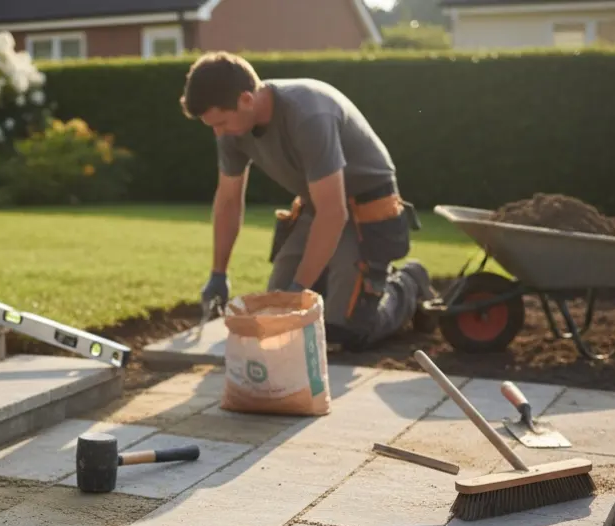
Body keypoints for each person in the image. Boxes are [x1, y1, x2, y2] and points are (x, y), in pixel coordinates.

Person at [180, 51, 436, 351]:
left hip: (367, 205)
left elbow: (333, 213)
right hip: (319, 204)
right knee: (273, 317)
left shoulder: (309, 114)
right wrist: (218, 274)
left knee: (343, 333)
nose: (218, 133)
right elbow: (228, 201)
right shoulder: (232, 131)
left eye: (221, 122)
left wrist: (299, 291)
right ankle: (344, 283)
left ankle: (408, 283)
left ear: (246, 99)